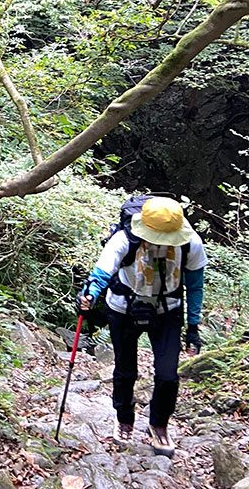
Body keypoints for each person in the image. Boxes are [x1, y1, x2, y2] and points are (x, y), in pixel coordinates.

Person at [78, 196, 206, 457]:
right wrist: (90, 293)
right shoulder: (125, 239)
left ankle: (158, 424)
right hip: (123, 308)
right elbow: (102, 271)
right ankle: (124, 418)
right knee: (125, 370)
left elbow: (195, 285)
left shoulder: (190, 242)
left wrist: (193, 326)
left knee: (168, 375)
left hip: (167, 310)